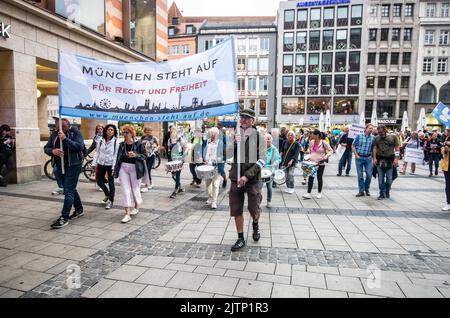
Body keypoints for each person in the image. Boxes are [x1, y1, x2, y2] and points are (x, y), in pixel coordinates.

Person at [228, 109, 266, 251]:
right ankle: (240, 238)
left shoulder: (259, 137)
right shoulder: (236, 135)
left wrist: (247, 175)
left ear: (252, 121)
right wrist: (234, 144)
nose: (243, 120)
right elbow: (228, 154)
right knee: (236, 209)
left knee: (253, 208)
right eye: (242, 117)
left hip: (252, 179)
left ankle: (255, 224)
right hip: (235, 177)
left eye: (247, 118)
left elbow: (262, 160)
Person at [44, 118, 85, 229]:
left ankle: (64, 217)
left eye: (60, 121)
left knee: (68, 190)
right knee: (70, 188)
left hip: (73, 165)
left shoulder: (75, 132)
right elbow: (46, 148)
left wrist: (65, 139)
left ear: (66, 122)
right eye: (56, 121)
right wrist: (53, 151)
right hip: (60, 166)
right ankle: (79, 209)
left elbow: (79, 146)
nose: (58, 123)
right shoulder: (54, 134)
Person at [114, 125, 146, 223]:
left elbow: (144, 156)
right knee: (125, 190)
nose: (124, 134)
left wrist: (136, 155)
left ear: (132, 133)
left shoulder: (139, 143)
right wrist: (115, 169)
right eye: (123, 132)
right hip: (123, 168)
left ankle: (136, 206)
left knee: (135, 189)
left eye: (126, 132)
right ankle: (127, 214)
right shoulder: (121, 144)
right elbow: (118, 157)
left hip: (135, 168)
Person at [92, 124, 119, 209]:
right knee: (99, 181)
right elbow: (97, 152)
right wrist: (94, 163)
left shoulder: (115, 142)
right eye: (108, 129)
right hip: (101, 163)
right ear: (105, 131)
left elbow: (115, 155)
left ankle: (111, 201)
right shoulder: (100, 140)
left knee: (111, 183)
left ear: (114, 132)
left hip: (110, 164)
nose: (110, 131)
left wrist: (114, 167)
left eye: (112, 130)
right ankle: (107, 194)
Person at [302, 130, 334, 199]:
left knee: (319, 177)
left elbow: (331, 150)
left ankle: (319, 192)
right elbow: (309, 149)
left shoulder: (323, 142)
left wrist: (326, 156)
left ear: (317, 135)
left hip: (320, 163)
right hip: (312, 162)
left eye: (313, 134)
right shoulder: (312, 142)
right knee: (311, 177)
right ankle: (308, 193)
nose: (312, 135)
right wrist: (308, 151)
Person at [373, 124, 400, 200]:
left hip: (390, 161)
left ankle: (387, 191)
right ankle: (381, 193)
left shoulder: (393, 137)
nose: (380, 133)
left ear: (385, 130)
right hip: (380, 160)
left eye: (381, 132)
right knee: (380, 179)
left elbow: (397, 148)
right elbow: (375, 148)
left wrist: (396, 159)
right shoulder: (376, 138)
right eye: (379, 132)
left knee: (389, 179)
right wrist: (374, 158)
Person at [352, 124, 375, 197]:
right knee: (360, 175)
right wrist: (356, 155)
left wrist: (373, 157)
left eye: (372, 128)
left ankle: (366, 189)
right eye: (370, 128)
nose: (371, 130)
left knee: (369, 174)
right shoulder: (359, 136)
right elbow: (353, 145)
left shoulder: (373, 138)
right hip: (359, 157)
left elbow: (374, 148)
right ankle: (361, 191)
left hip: (368, 158)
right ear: (365, 129)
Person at [204, 127, 223, 209]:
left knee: (215, 184)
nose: (212, 135)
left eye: (213, 133)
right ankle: (210, 196)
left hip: (216, 166)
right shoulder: (208, 141)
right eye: (211, 133)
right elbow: (205, 152)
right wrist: (205, 159)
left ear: (217, 134)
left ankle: (214, 202)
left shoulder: (220, 142)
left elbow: (222, 153)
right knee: (208, 183)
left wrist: (218, 159)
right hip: (208, 165)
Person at [261, 133, 281, 208]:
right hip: (261, 170)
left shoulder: (274, 149)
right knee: (259, 187)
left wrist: (275, 163)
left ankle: (269, 201)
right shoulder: (260, 148)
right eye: (267, 138)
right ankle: (258, 201)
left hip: (270, 170)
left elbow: (278, 158)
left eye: (269, 139)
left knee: (269, 187)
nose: (268, 140)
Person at [168, 126, 187, 198]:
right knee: (173, 175)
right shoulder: (169, 140)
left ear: (176, 131)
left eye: (174, 130)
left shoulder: (179, 139)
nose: (172, 131)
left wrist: (183, 156)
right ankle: (179, 187)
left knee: (178, 174)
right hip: (172, 160)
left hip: (179, 159)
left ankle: (176, 190)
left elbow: (185, 147)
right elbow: (169, 150)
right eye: (171, 130)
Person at [140, 126, 159, 192]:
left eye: (149, 130)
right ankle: (150, 183)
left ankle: (146, 185)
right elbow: (140, 146)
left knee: (147, 170)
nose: (148, 132)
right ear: (144, 131)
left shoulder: (154, 138)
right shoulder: (142, 138)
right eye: (147, 130)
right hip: (144, 156)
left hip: (151, 156)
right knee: (146, 170)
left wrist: (155, 149)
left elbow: (158, 146)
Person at [441, 129, 450, 211]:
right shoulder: (447, 139)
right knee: (448, 185)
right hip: (447, 166)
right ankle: (448, 203)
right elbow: (442, 150)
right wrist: (445, 150)